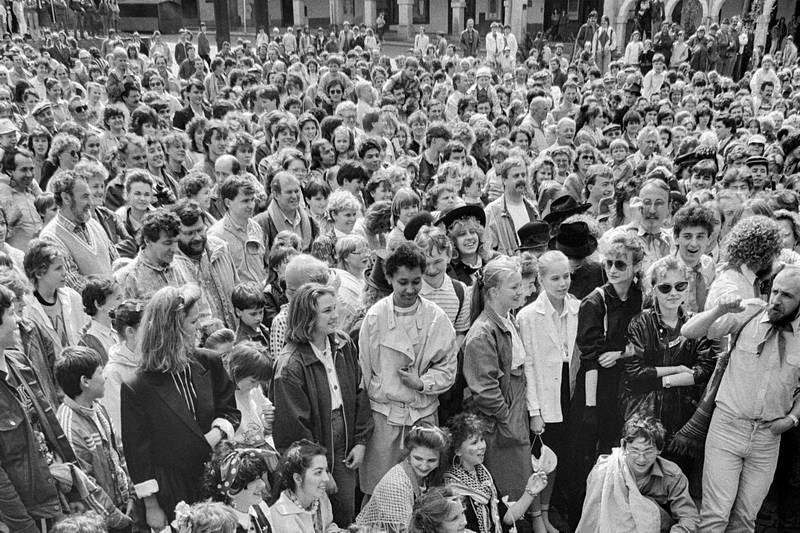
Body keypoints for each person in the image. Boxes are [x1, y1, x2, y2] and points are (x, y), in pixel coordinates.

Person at [681, 263, 800, 531]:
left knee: (745, 520)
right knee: (715, 516)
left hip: (768, 438)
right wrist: (720, 309)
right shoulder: (750, 311)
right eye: (775, 291)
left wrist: (792, 418)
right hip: (728, 427)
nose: (777, 300)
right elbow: (688, 332)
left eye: (787, 295)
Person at [120, 284, 240, 528]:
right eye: (193, 322)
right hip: (173, 486)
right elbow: (137, 453)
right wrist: (151, 505)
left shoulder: (209, 361)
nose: (199, 329)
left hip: (217, 474)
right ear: (173, 328)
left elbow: (229, 410)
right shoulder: (137, 385)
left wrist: (212, 436)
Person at [358, 243, 457, 496]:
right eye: (403, 282)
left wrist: (422, 383)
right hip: (385, 418)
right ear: (389, 278)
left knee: (425, 492)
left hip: (422, 415)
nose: (410, 289)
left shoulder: (436, 317)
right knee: (380, 490)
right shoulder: (374, 318)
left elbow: (448, 367)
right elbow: (364, 373)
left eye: (416, 282)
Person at [273, 282, 373, 526]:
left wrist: (360, 441)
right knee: (320, 517)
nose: (335, 315)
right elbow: (294, 429)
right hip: (315, 446)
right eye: (327, 311)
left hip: (345, 440)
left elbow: (360, 391)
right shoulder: (290, 366)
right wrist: (320, 471)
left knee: (345, 511)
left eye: (335, 308)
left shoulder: (343, 344)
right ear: (308, 316)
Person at [464, 255, 547, 532]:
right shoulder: (483, 333)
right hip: (500, 426)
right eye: (513, 287)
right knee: (508, 494)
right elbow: (485, 390)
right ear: (493, 291)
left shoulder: (507, 320)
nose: (520, 291)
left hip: (514, 415)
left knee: (523, 481)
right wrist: (507, 419)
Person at [517, 250, 580, 531]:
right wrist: (534, 411)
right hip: (545, 396)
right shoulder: (528, 315)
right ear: (541, 279)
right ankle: (538, 517)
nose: (562, 283)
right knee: (543, 459)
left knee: (565, 457)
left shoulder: (578, 307)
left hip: (571, 393)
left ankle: (551, 510)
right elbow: (528, 366)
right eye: (555, 278)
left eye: (566, 276)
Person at [54, 346, 134, 532]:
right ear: (85, 382)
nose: (105, 377)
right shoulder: (68, 424)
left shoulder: (98, 409)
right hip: (102, 520)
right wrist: (115, 516)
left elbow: (119, 452)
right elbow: (84, 483)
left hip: (123, 509)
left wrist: (131, 495)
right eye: (100, 372)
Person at [576, 415, 699, 532]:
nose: (641, 459)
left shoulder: (672, 475)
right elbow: (593, 516)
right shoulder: (605, 470)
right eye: (635, 451)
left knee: (649, 507)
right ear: (623, 445)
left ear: (659, 450)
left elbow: (689, 517)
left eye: (648, 451)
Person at [444, 412, 549, 533]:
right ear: (458, 451)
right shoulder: (451, 487)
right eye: (474, 443)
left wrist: (530, 492)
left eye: (482, 440)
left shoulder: (484, 476)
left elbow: (506, 518)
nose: (482, 446)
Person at [357, 425, 450, 532]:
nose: (424, 466)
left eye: (431, 460)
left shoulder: (427, 476)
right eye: (418, 458)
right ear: (408, 454)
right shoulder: (396, 486)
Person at [263, 439, 339, 533]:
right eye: (318, 472)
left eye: (325, 471)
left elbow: (328, 526)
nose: (326, 478)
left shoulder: (320, 498)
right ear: (298, 479)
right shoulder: (282, 515)